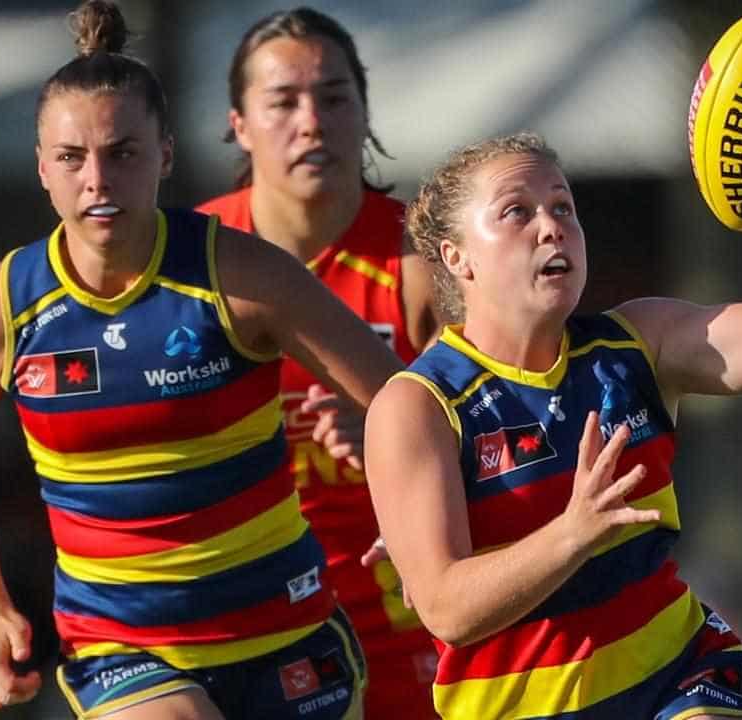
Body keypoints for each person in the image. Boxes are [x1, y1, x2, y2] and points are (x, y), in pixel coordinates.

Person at [0, 2, 404, 717]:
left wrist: (401, 482)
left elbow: (406, 402)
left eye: (124, 153)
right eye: (73, 158)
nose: (98, 180)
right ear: (42, 168)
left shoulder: (246, 278)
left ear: (166, 156)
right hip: (124, 649)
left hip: (287, 633)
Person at [363, 94, 742, 718]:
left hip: (680, 677)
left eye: (563, 207)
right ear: (456, 257)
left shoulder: (637, 343)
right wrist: (573, 532)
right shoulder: (418, 406)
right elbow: (445, 608)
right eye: (517, 211)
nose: (552, 226)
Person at [195, 8, 440, 718]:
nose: (312, 121)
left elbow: (513, 438)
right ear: (238, 123)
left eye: (334, 98)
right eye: (283, 101)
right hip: (235, 629)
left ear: (364, 114)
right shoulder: (191, 263)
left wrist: (401, 439)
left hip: (402, 626)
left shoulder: (424, 267)